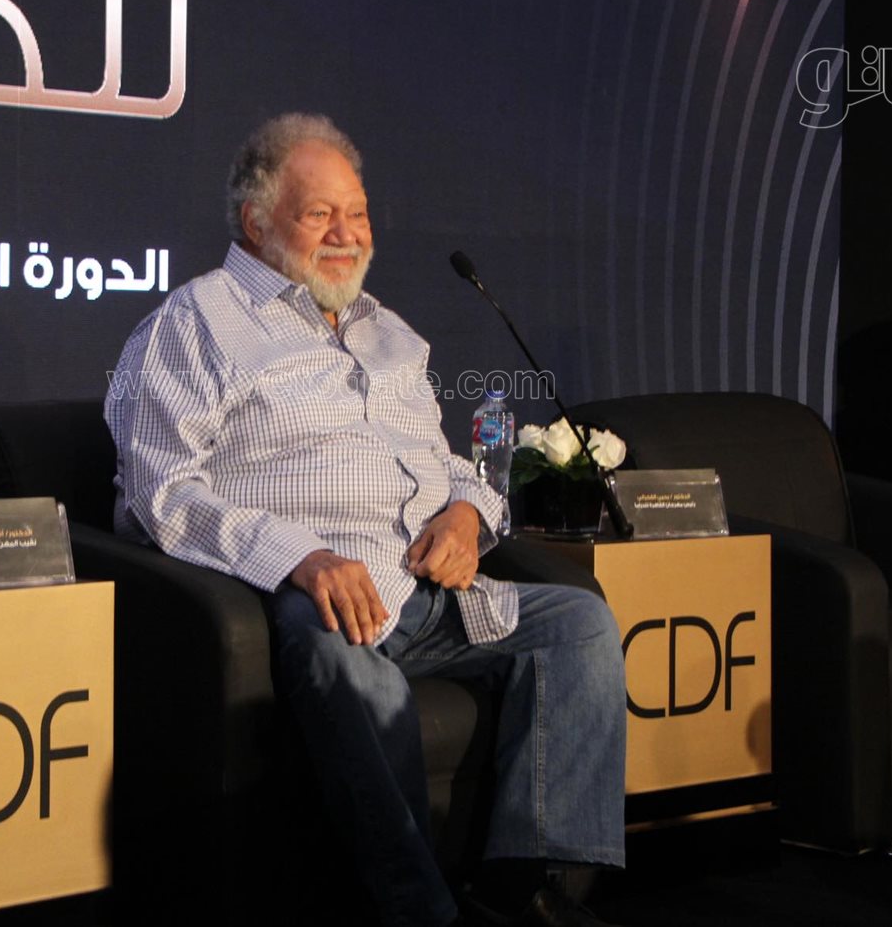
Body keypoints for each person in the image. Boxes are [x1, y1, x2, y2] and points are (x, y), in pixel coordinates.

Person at [105, 113, 625, 927]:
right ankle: (422, 913)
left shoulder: (391, 335)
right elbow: (157, 491)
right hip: (316, 598)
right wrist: (301, 557)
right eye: (321, 214)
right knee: (348, 656)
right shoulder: (196, 323)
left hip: (427, 593)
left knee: (579, 626)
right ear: (256, 222)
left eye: (358, 212)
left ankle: (528, 892)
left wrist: (466, 514)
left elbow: (447, 461)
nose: (347, 234)